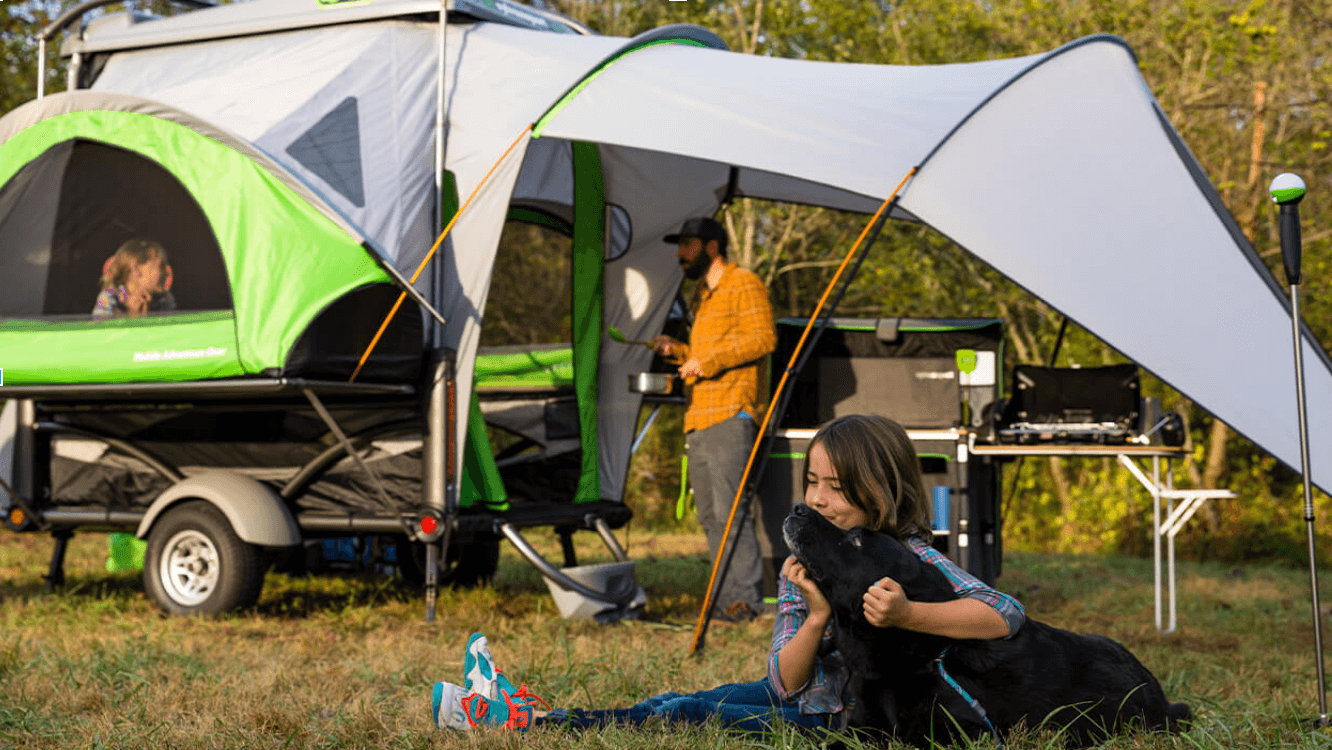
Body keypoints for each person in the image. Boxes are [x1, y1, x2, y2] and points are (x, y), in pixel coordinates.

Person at [432, 414, 1027, 735]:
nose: (817, 499)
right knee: (678, 702)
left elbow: (1004, 613)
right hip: (800, 699)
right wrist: (816, 614)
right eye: (812, 483)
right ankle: (536, 715)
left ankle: (527, 721)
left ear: (883, 490)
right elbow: (784, 682)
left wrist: (909, 615)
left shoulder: (912, 560)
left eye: (837, 488)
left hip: (849, 722)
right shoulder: (807, 563)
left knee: (694, 717)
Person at [650, 216, 776, 623]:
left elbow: (763, 338)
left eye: (686, 244)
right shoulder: (701, 297)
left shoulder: (744, 283)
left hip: (730, 412)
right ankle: (724, 603)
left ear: (710, 247)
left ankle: (746, 602)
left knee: (730, 511)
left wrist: (706, 360)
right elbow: (703, 356)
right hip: (698, 416)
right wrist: (679, 351)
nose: (679, 253)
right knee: (708, 515)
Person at [92, 238, 176, 318]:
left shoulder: (164, 298)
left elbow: (168, 330)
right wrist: (131, 315)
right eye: (154, 268)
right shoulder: (108, 297)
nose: (162, 273)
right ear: (136, 273)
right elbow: (99, 329)